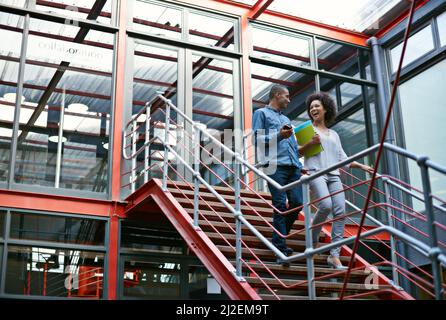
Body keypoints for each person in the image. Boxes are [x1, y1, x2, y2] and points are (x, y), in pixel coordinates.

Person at [299, 92, 373, 269]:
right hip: (316, 173)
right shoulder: (306, 129)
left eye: (317, 106)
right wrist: (310, 143)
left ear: (325, 108)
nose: (314, 109)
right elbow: (299, 153)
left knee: (341, 212)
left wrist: (362, 167)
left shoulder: (334, 134)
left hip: (334, 175)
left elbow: (343, 158)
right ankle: (313, 237)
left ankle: (334, 255)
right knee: (326, 206)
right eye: (311, 108)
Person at [252, 84, 303, 267]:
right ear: (277, 95)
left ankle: (278, 239)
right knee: (280, 205)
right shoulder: (261, 114)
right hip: (275, 166)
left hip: (293, 166)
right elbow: (257, 140)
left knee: (297, 203)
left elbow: (292, 145)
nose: (289, 100)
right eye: (287, 96)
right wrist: (280, 135)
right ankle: (280, 249)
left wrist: (299, 162)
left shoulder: (287, 118)